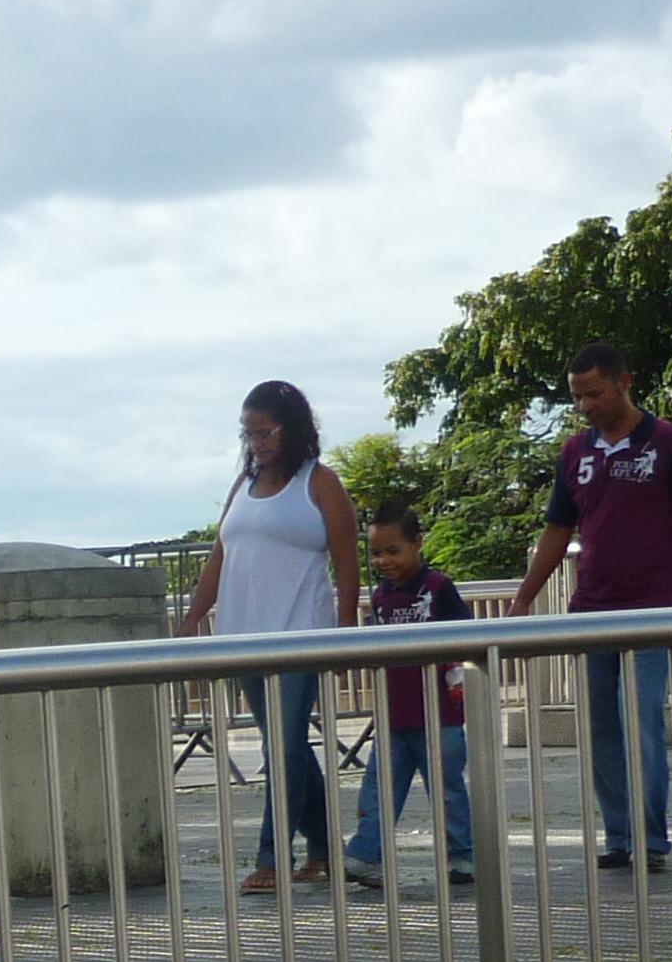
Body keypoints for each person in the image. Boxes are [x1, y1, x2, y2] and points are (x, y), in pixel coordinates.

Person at [508, 343, 672, 871]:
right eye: (577, 396)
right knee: (600, 726)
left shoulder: (671, 443)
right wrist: (523, 600)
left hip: (654, 608)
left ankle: (652, 838)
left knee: (641, 718)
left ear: (624, 382)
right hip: (592, 608)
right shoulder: (575, 452)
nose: (586, 405)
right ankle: (618, 834)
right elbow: (558, 531)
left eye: (594, 393)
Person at [181, 380, 361, 894]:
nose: (256, 442)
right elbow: (220, 556)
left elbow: (348, 558)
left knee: (283, 747)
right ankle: (325, 849)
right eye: (249, 433)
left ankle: (271, 855)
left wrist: (347, 630)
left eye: (265, 432)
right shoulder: (244, 485)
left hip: (300, 632)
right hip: (243, 635)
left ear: (293, 429)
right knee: (287, 747)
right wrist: (194, 616)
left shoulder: (320, 483)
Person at [341, 505, 473, 888]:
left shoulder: (438, 587)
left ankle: (462, 857)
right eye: (376, 553)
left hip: (439, 714)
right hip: (394, 715)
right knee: (378, 788)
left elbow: (465, 633)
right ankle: (365, 854)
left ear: (417, 544)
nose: (383, 560)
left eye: (393, 551)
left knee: (447, 789)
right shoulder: (381, 596)